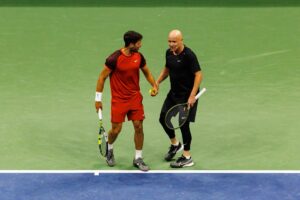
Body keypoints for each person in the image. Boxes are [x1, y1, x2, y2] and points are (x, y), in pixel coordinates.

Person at [95, 31, 158, 171]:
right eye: (139, 43)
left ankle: (138, 158)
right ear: (131, 44)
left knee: (139, 126)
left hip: (135, 98)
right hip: (119, 100)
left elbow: (146, 72)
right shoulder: (114, 58)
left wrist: (154, 85)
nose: (141, 45)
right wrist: (98, 100)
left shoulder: (139, 56)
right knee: (116, 130)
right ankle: (109, 148)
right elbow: (101, 78)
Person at [156, 29, 203, 168]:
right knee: (163, 118)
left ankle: (187, 157)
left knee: (183, 124)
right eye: (169, 41)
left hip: (187, 95)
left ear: (181, 40)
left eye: (174, 42)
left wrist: (192, 95)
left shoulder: (189, 55)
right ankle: (175, 144)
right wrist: (157, 83)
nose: (171, 44)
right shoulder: (168, 53)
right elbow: (167, 69)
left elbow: (199, 75)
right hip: (174, 93)